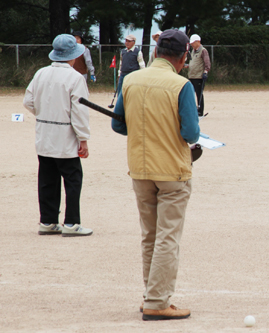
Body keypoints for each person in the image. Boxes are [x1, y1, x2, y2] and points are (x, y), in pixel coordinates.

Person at [111, 29, 200, 321]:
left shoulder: (130, 80)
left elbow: (119, 126)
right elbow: (190, 133)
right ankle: (157, 301)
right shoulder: (181, 85)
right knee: (167, 237)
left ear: (155, 51)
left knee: (150, 235)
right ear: (184, 56)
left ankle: (151, 294)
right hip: (172, 171)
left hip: (140, 168)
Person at [23, 34, 93, 237]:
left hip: (44, 133)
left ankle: (48, 220)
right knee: (72, 179)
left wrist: (44, 113)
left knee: (47, 179)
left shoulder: (41, 73)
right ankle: (71, 222)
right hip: (66, 136)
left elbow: (28, 101)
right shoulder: (75, 77)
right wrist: (83, 139)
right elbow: (79, 111)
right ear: (73, 56)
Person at [186, 34, 211, 116]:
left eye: (193, 43)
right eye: (191, 43)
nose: (192, 44)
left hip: (198, 76)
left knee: (199, 94)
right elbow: (194, 63)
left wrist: (205, 72)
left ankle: (200, 111)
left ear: (198, 42)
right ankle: (193, 109)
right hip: (191, 75)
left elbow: (207, 62)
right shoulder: (193, 51)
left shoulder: (203, 51)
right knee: (190, 93)